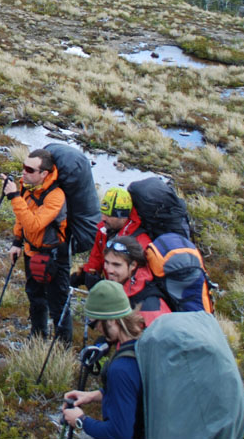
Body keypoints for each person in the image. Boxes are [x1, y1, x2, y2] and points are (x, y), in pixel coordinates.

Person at [62, 280, 145, 439]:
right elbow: (133, 391)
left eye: (96, 323)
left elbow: (119, 434)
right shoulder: (141, 344)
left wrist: (81, 421)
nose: (97, 329)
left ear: (112, 320)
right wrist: (93, 395)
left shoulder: (121, 368)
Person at [5, 148, 70, 341]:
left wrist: (14, 197)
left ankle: (62, 347)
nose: (24, 172)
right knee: (35, 297)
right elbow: (22, 219)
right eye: (24, 167)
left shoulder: (56, 196)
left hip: (54, 257)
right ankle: (37, 337)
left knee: (58, 303)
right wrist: (17, 241)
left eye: (30, 169)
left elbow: (34, 225)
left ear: (44, 174)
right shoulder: (26, 187)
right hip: (31, 253)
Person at [73, 186, 150, 288]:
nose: (103, 218)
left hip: (127, 296)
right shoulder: (104, 231)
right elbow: (96, 258)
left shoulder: (140, 242)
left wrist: (107, 289)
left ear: (123, 216)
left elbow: (141, 280)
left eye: (109, 215)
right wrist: (85, 274)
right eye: (103, 213)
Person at [101, 235, 170, 327]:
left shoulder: (149, 304)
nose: (109, 270)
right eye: (106, 262)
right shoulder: (124, 286)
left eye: (116, 265)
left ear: (133, 265)